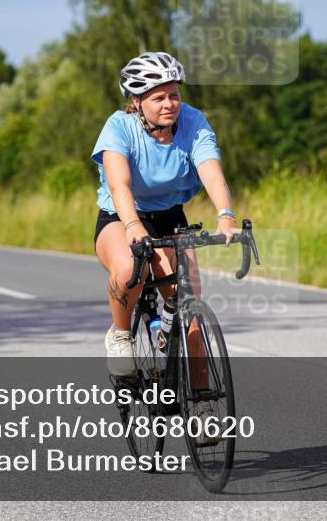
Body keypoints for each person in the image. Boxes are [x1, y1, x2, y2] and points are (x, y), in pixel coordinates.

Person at [92, 51, 239, 382]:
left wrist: (226, 215)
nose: (169, 104)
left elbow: (211, 172)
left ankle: (202, 401)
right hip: (121, 216)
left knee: (189, 308)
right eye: (158, 98)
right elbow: (119, 185)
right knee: (130, 269)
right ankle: (120, 335)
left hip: (170, 216)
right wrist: (133, 225)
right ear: (137, 101)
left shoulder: (193, 121)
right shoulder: (119, 127)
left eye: (174, 95)